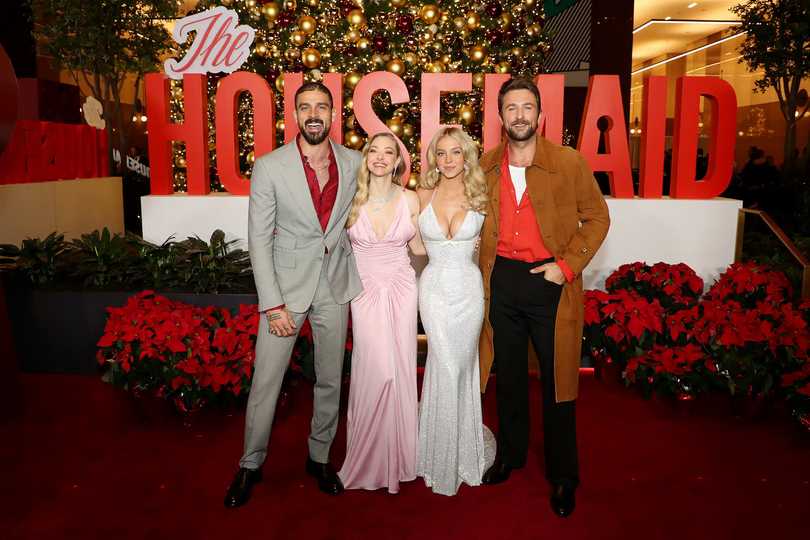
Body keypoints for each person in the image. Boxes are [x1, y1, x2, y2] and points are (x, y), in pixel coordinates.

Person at [224, 82, 363, 508]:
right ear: (296, 114)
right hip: (285, 290)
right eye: (306, 107)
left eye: (322, 106)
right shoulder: (270, 167)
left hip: (334, 286)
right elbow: (259, 239)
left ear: (334, 114)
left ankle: (319, 457)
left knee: (328, 378)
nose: (314, 113)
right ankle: (250, 463)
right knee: (267, 380)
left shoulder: (355, 162)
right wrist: (272, 303)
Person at [477, 78, 610, 518]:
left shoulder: (568, 162)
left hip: (550, 282)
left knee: (559, 383)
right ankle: (511, 456)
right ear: (501, 116)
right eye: (511, 107)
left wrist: (566, 266)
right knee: (509, 376)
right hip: (502, 282)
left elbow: (596, 217)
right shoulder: (488, 162)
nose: (519, 115)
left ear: (540, 115)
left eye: (527, 107)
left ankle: (564, 475)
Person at [337, 132, 425, 493]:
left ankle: (402, 457)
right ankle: (369, 455)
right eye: (374, 150)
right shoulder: (350, 200)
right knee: (376, 370)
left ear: (397, 162)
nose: (380, 157)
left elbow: (419, 247)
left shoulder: (411, 199)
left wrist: (459, 245)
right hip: (365, 291)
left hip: (404, 289)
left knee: (401, 369)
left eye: (389, 152)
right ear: (366, 157)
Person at [416, 126, 495, 496]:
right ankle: (437, 452)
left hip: (467, 290)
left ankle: (461, 448)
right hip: (432, 291)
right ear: (434, 157)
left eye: (455, 152)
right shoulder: (421, 194)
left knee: (461, 367)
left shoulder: (482, 195)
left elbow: (495, 247)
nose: (447, 160)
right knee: (443, 364)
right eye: (441, 153)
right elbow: (414, 247)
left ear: (466, 156)